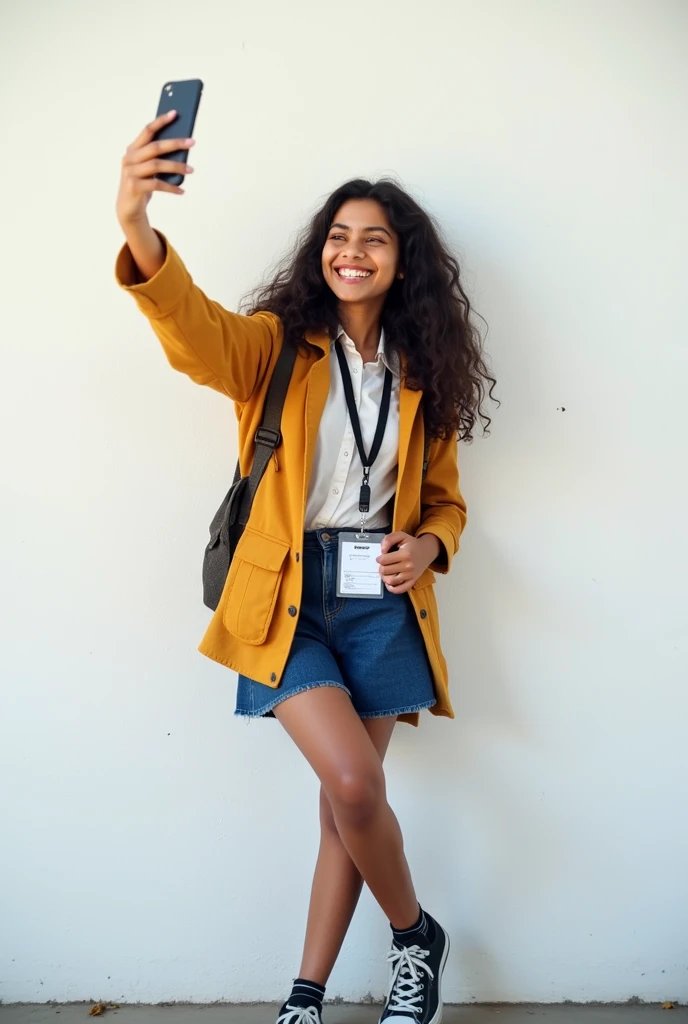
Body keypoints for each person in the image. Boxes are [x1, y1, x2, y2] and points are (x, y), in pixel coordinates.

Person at [115, 110, 495, 1024]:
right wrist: (136, 225)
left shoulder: (418, 374)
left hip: (382, 598)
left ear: (403, 262)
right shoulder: (276, 345)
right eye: (338, 236)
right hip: (287, 598)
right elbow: (193, 329)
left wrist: (430, 544)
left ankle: (304, 995)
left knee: (343, 807)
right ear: (319, 253)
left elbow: (444, 500)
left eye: (373, 240)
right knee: (357, 785)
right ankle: (417, 937)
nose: (351, 252)